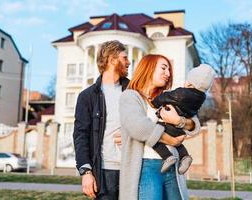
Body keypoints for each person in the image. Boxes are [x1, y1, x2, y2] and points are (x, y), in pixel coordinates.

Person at [119, 54, 201, 200]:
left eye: (169, 70)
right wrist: (171, 140)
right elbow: (138, 127)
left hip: (173, 167)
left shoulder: (167, 97)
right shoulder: (131, 96)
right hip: (147, 167)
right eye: (163, 68)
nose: (168, 74)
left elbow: (195, 124)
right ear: (148, 68)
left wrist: (179, 121)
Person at [73, 40, 130, 199]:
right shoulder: (87, 96)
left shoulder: (134, 91)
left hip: (132, 170)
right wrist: (85, 172)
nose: (128, 62)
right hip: (104, 173)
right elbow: (80, 135)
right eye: (124, 58)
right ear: (112, 60)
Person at [151, 64, 216, 174]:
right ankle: (185, 156)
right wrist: (182, 122)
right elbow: (194, 119)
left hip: (167, 126)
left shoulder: (181, 93)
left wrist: (155, 101)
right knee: (177, 142)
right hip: (179, 130)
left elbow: (167, 97)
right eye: (163, 68)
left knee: (153, 136)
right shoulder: (201, 98)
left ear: (190, 83)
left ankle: (167, 157)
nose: (167, 72)